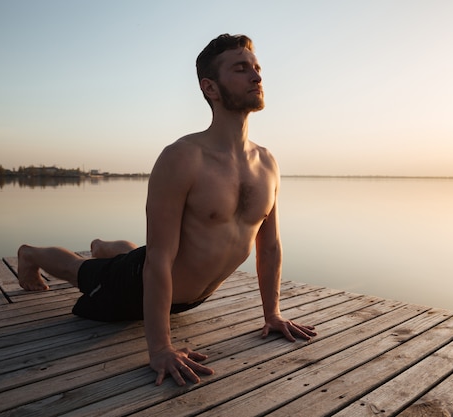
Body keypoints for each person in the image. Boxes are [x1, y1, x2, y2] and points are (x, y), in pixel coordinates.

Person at [16, 33, 316, 387]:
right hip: (136, 287)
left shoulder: (267, 162)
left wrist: (273, 313)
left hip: (190, 299)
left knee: (137, 255)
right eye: (241, 69)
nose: (256, 76)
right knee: (81, 270)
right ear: (211, 88)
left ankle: (106, 248)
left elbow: (270, 248)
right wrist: (160, 347)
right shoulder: (183, 158)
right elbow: (158, 260)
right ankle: (31, 254)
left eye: (256, 67)